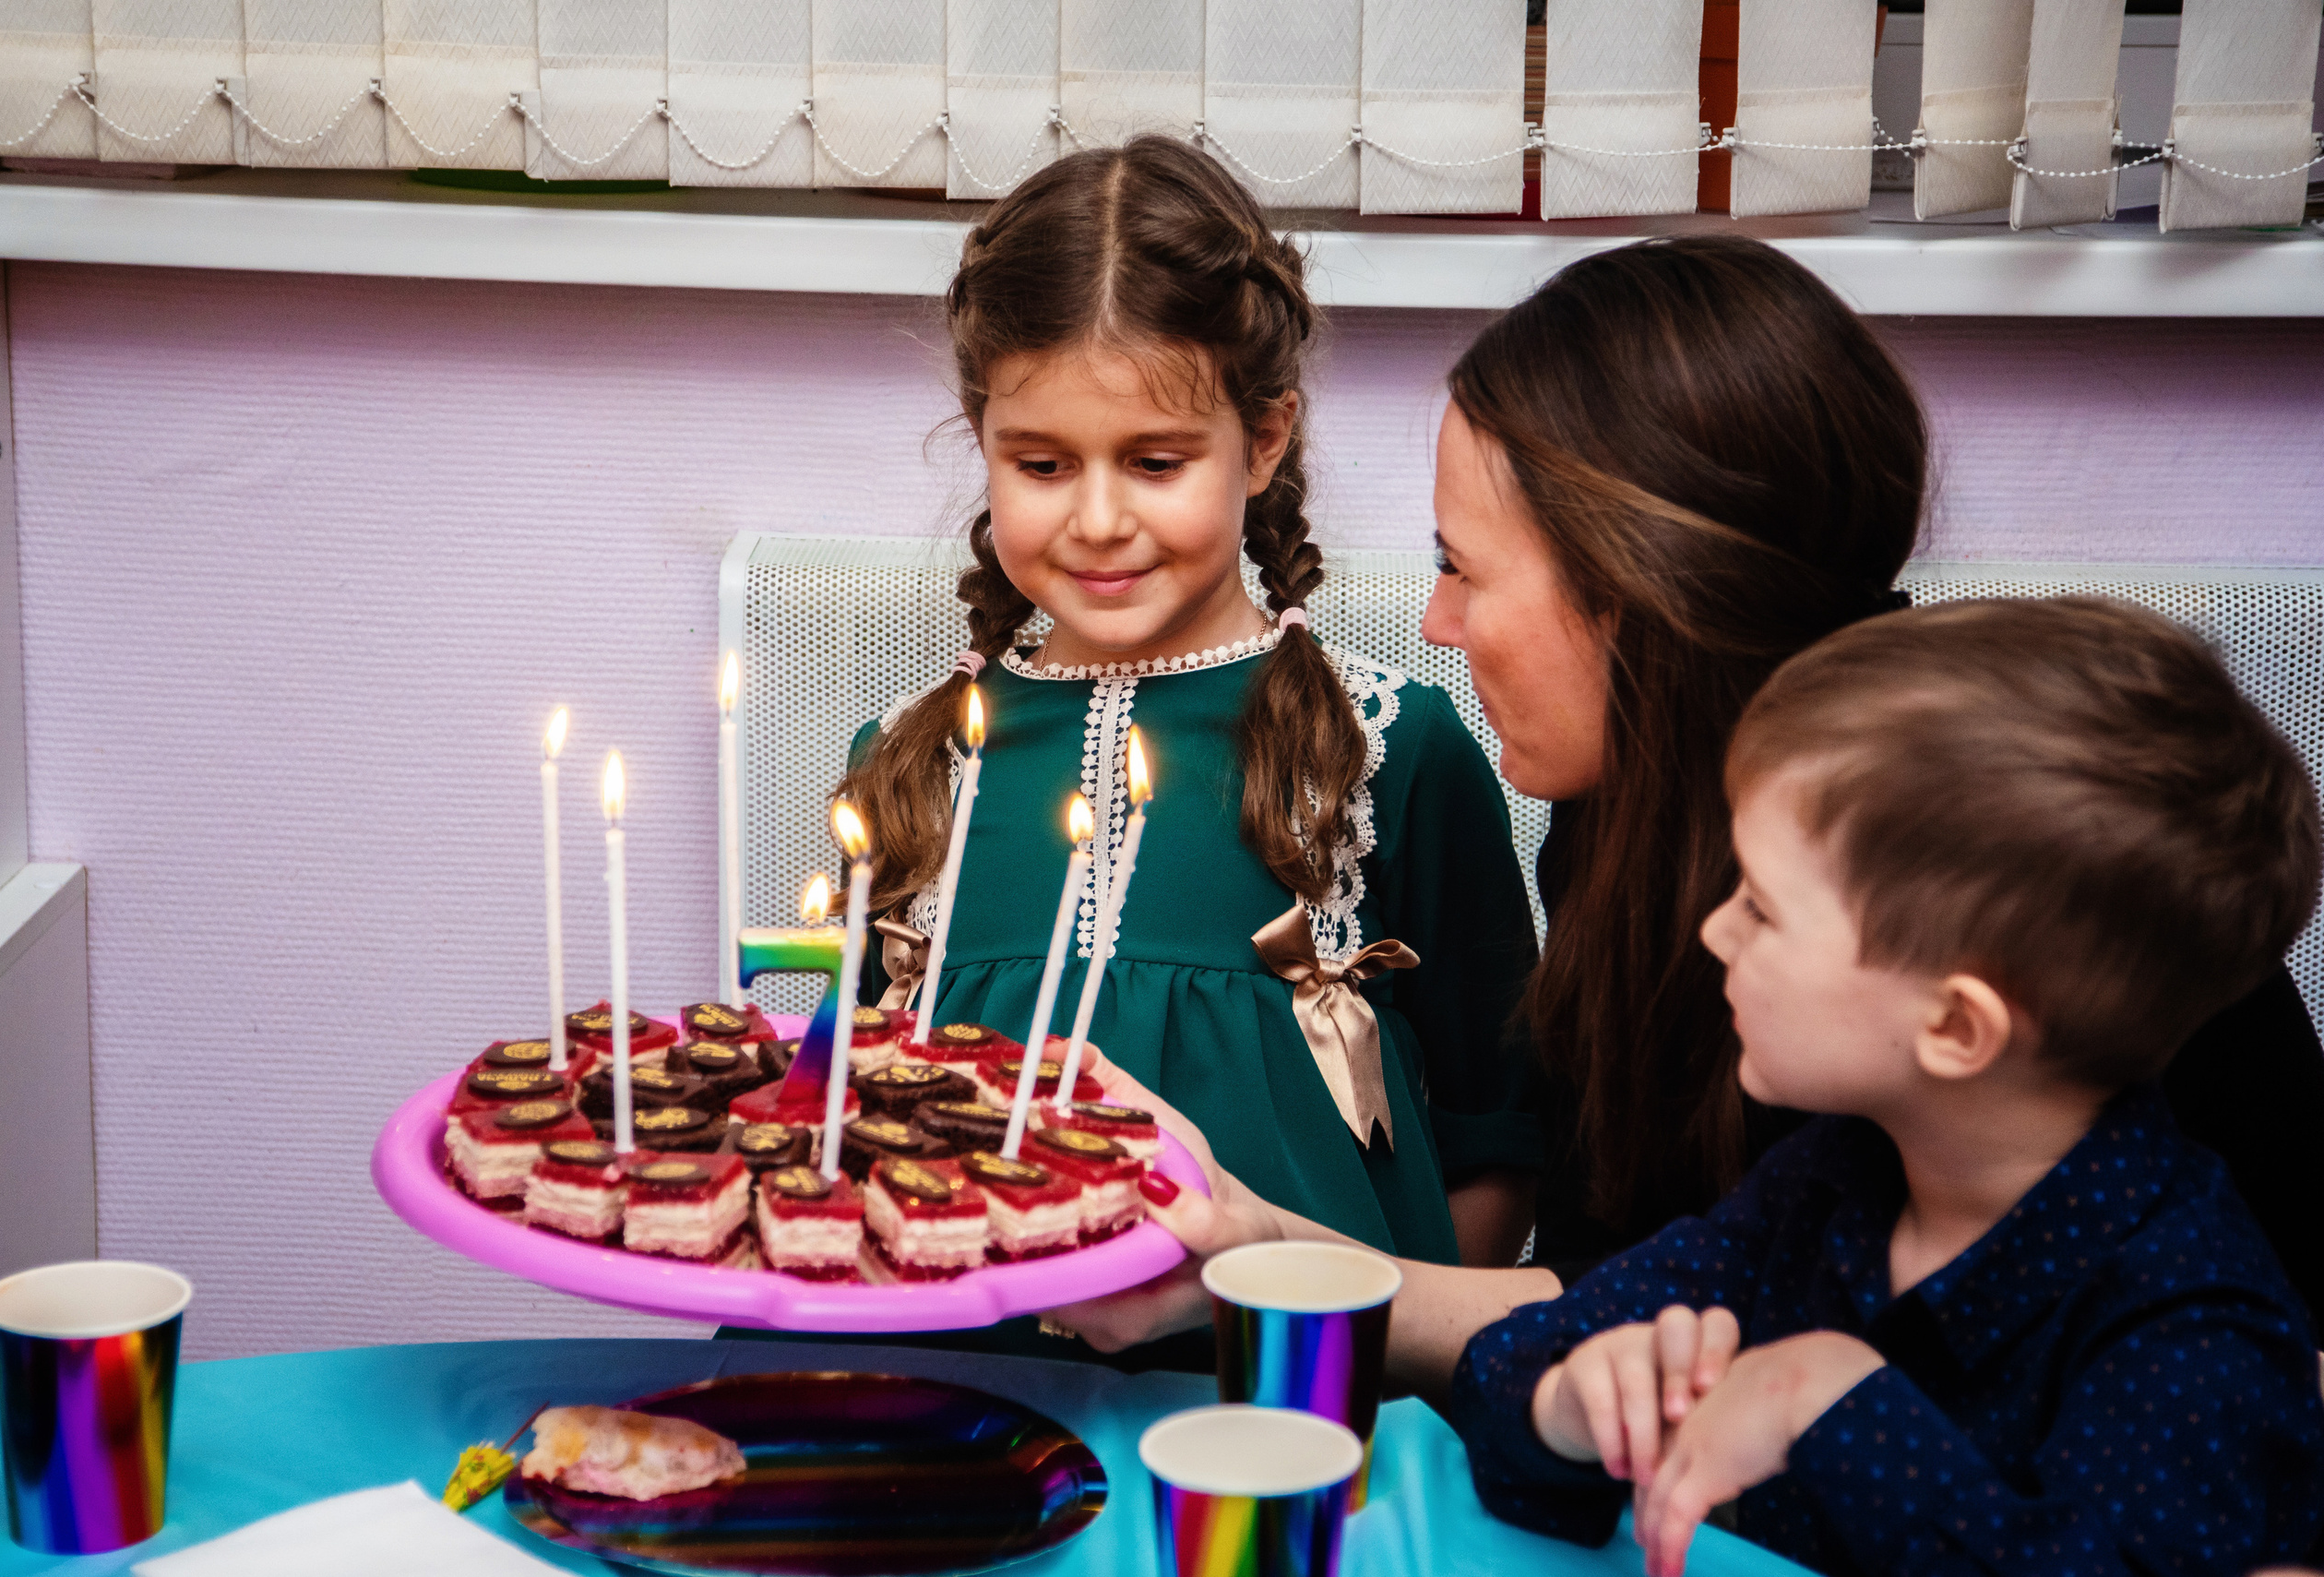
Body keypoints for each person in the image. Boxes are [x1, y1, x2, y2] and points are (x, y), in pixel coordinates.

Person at [1054, 234, 2324, 1372]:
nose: (1437, 624)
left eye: (1461, 567)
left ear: (1638, 589)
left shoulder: (2023, 854)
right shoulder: (1624, 823)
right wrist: (1242, 1253)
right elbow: (1630, 1305)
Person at [811, 136, 1540, 1365]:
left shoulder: (1392, 750)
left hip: (1286, 1407)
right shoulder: (908, 758)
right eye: (1041, 464)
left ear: (1261, 444)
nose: (1098, 518)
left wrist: (1370, 1361)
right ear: (982, 435)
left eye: (1155, 462)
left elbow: (1494, 1149)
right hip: (964, 1395)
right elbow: (847, 1124)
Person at [1450, 596, 2324, 1576]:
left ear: (1954, 1025)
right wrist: (1570, 1405)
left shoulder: (2194, 1323)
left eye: (1763, 908)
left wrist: (1834, 1409)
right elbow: (1508, 1372)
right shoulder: (1828, 1183)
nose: (1714, 932)